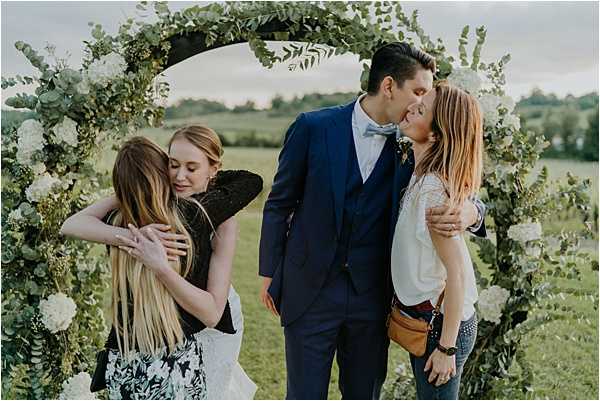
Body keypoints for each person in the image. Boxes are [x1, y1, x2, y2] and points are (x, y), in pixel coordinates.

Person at [258, 42, 486, 399]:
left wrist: (471, 211)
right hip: (310, 292)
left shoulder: (416, 143)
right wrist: (269, 274)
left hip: (373, 300)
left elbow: (457, 178)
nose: (420, 103)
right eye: (419, 91)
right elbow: (278, 203)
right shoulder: (312, 127)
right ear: (390, 86)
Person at [61, 135, 262, 399]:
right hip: (176, 351)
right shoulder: (195, 216)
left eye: (189, 167)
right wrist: (138, 237)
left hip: (129, 356)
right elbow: (250, 181)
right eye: (172, 165)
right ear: (162, 173)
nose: (179, 176)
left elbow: (70, 224)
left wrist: (127, 206)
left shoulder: (115, 221)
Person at [391, 81, 482, 399]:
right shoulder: (419, 176)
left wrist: (446, 348)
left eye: (420, 110)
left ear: (437, 133)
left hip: (442, 329)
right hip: (427, 322)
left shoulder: (431, 190)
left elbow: (456, 273)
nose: (409, 109)